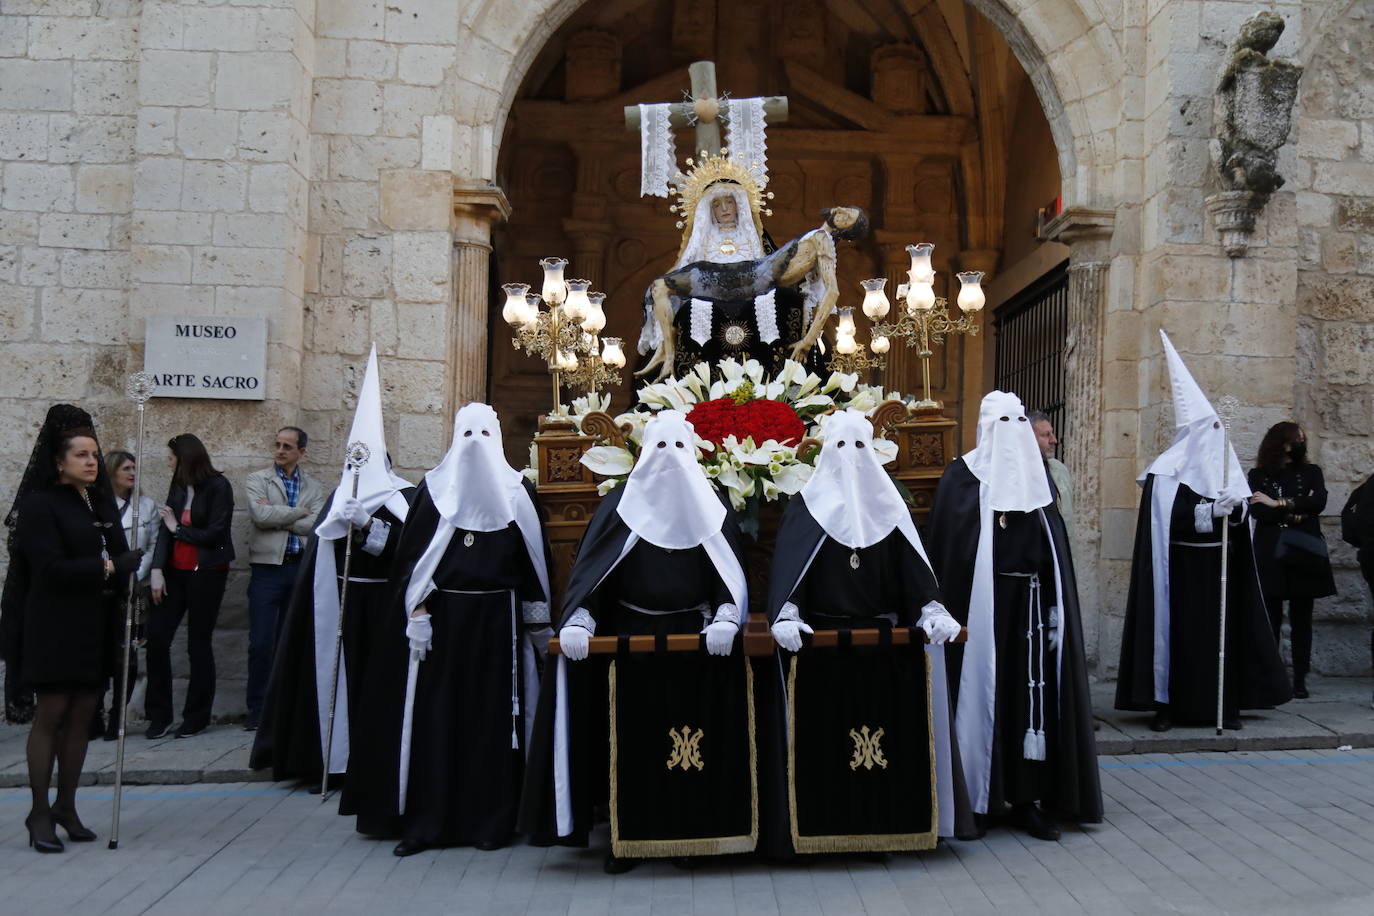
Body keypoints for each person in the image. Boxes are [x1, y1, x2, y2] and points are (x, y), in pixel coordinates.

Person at [521, 409, 751, 874]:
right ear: (644, 453)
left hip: (695, 645)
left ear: (695, 454)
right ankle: (627, 839)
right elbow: (594, 577)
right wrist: (580, 620)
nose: (668, 458)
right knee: (629, 747)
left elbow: (729, 573)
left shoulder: (713, 505)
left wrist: (729, 615)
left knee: (689, 745)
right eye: (659, 447)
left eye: (678, 447)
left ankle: (689, 835)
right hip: (628, 647)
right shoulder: (620, 506)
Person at [767, 409, 970, 852]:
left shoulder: (890, 508)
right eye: (841, 446)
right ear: (825, 451)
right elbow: (792, 574)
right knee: (827, 750)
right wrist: (788, 613)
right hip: (822, 650)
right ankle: (825, 830)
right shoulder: (807, 506)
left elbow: (916, 574)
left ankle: (885, 826)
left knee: (884, 747)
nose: (851, 456)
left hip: (885, 650)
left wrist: (932, 609)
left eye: (859, 445)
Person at [250, 348, 415, 836]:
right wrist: (338, 528)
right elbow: (318, 556)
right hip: (342, 605)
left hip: (383, 605)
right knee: (341, 681)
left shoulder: (402, 498)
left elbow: (406, 552)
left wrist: (370, 529)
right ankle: (333, 757)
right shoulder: (338, 501)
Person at [928, 390, 1102, 841]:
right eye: (1000, 422)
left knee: (1030, 702)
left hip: (1029, 607)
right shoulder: (962, 478)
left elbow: (1054, 550)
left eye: (1017, 421)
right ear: (985, 427)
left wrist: (1055, 606)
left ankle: (1028, 800)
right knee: (981, 698)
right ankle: (979, 800)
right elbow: (950, 552)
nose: (1010, 431)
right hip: (979, 611)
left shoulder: (1038, 477)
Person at [388, 403, 551, 856]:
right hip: (444, 628)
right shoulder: (433, 491)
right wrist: (416, 612)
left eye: (485, 432)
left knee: (493, 725)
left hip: (499, 627)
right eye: (468, 433)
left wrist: (540, 628)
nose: (476, 442)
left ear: (497, 437)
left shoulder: (519, 493)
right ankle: (427, 823)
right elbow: (412, 563)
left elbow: (534, 564)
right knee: (437, 722)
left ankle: (491, 821)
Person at [1116, 332, 1290, 730]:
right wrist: (1210, 510)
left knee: (1218, 641)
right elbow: (1171, 518)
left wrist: (1235, 510)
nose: (1214, 438)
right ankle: (1168, 707)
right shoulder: (1165, 475)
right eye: (1206, 430)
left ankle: (1221, 707)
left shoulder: (1227, 472)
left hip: (1218, 571)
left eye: (1218, 429)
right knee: (1178, 642)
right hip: (1177, 573)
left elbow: (1243, 518)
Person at [6, 406, 140, 851]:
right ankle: (39, 812)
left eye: (95, 454)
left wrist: (128, 570)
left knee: (84, 714)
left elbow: (118, 554)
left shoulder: (99, 501)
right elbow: (49, 569)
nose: (91, 462)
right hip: (54, 624)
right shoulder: (40, 505)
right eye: (81, 455)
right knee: (53, 714)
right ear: (59, 461)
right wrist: (107, 566)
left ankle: (67, 805)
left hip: (94, 623)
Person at [146, 435, 234, 739]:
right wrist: (157, 569)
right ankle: (159, 715)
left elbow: (215, 534)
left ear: (185, 458)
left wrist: (178, 528)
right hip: (174, 573)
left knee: (198, 644)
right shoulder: (179, 485)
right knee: (156, 638)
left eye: (171, 457)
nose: (168, 462)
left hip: (207, 572)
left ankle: (196, 717)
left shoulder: (219, 487)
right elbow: (164, 532)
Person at [243, 426, 325, 730]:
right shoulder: (257, 480)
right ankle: (258, 709)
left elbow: (316, 525)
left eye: (287, 446)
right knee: (261, 641)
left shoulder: (314, 487)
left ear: (301, 452)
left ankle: (286, 708)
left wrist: (281, 514)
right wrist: (297, 512)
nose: (280, 450)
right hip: (266, 569)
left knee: (293, 640)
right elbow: (260, 517)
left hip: (299, 567)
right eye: (277, 444)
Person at [1248, 422, 1337, 699]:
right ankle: (1272, 677)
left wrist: (1278, 504)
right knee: (1271, 617)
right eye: (1294, 439)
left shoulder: (1312, 472)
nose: (1300, 443)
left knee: (1302, 619)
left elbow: (1318, 502)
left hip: (1303, 550)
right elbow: (1258, 512)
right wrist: (1296, 507)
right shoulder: (1258, 474)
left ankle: (1300, 679)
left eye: (1302, 438)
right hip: (1271, 551)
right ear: (1280, 442)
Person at [95, 450, 157, 741]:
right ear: (111, 472)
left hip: (133, 590)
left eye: (134, 467)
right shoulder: (96, 505)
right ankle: (94, 713)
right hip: (101, 587)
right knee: (97, 654)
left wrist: (136, 575)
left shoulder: (145, 506)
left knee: (128, 654)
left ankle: (117, 716)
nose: (132, 473)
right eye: (125, 468)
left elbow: (154, 544)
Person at [1029, 410, 1075, 541]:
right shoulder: (1018, 474)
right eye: (1046, 435)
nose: (1054, 440)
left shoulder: (1060, 470)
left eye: (1052, 433)